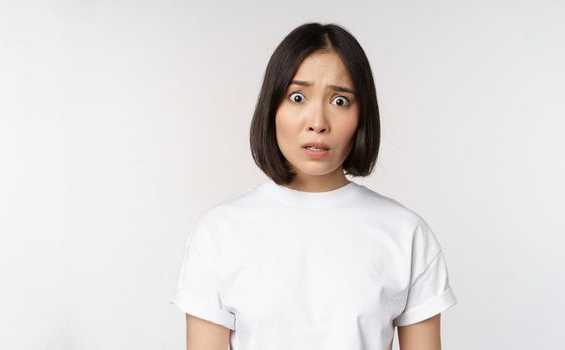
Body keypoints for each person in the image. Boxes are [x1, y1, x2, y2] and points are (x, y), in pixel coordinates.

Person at [170, 22, 458, 350]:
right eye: (297, 97)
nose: (318, 123)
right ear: (272, 108)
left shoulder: (406, 234)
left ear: (362, 116)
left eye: (339, 101)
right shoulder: (219, 232)